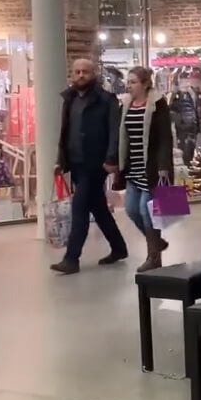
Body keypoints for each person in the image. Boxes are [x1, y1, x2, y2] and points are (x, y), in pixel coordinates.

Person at [51, 58, 128, 275]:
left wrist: (111, 158)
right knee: (98, 207)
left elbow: (115, 132)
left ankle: (71, 258)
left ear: (93, 74)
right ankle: (119, 248)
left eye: (85, 71)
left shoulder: (106, 100)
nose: (81, 75)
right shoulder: (70, 99)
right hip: (75, 162)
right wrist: (60, 160)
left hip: (96, 163)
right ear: (72, 75)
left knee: (80, 208)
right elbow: (65, 132)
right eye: (77, 72)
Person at [116, 66, 174, 272]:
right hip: (133, 167)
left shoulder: (158, 104)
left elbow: (165, 137)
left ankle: (153, 257)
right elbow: (122, 135)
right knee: (131, 209)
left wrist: (164, 166)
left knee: (146, 210)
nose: (129, 85)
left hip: (153, 168)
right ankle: (157, 242)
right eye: (128, 82)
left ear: (145, 84)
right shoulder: (126, 104)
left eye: (133, 82)